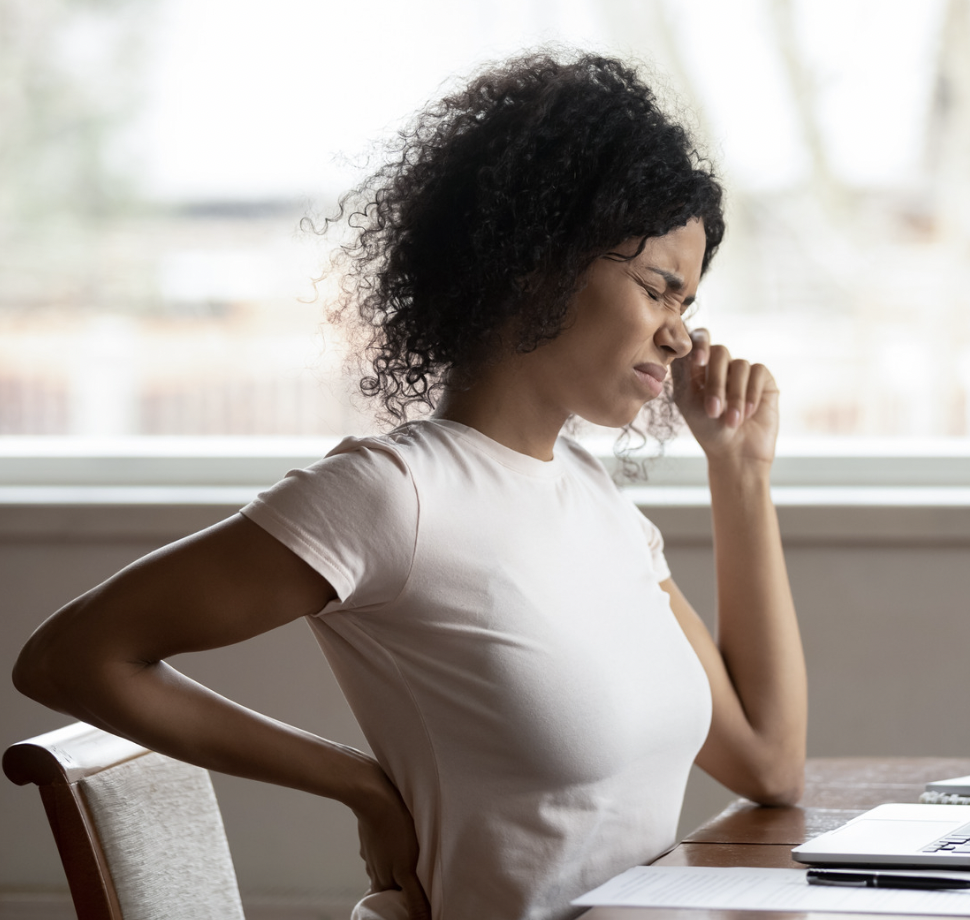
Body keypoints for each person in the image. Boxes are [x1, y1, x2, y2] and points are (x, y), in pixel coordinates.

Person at [12, 52, 806, 920]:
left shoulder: (595, 500)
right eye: (661, 290)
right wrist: (359, 784)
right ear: (541, 259)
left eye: (690, 306)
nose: (681, 337)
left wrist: (740, 470)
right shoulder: (395, 495)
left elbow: (767, 764)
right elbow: (70, 659)